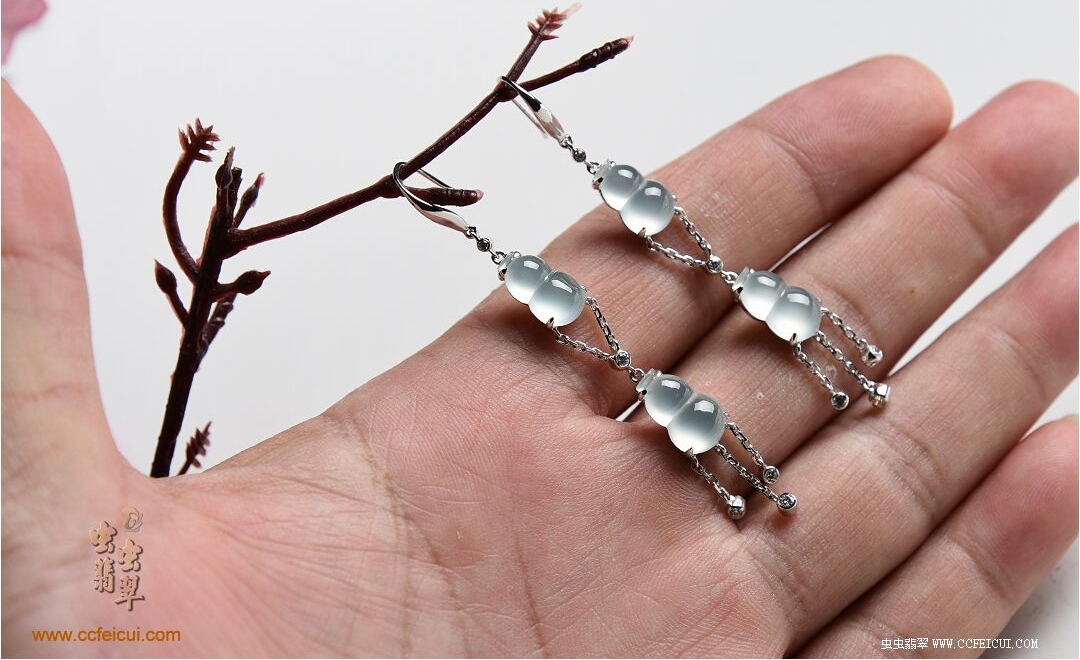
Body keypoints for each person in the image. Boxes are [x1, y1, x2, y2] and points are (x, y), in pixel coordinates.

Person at [2, 56, 1077, 657]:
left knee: (734, 351)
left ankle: (772, 438)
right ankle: (760, 450)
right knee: (704, 381)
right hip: (677, 367)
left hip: (709, 345)